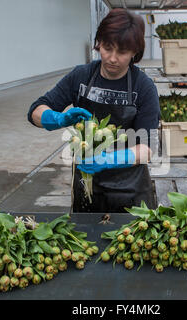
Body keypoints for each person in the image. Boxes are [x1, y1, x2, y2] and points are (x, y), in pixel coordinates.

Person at [27, 8, 160, 213]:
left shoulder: (143, 87)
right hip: (87, 185)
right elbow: (35, 110)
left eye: (122, 52)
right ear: (99, 43)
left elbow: (147, 149)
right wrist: (58, 118)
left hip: (130, 191)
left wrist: (108, 159)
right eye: (107, 48)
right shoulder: (81, 76)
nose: (112, 58)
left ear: (135, 52)